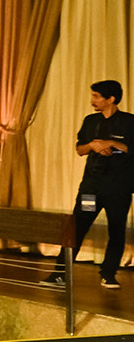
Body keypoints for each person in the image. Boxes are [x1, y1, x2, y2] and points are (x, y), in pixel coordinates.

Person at [55, 78, 133, 289]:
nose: (93, 101)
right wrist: (93, 145)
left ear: (111, 99)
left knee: (116, 231)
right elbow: (80, 150)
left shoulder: (129, 122)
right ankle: (60, 273)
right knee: (77, 227)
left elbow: (131, 149)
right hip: (91, 188)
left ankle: (108, 274)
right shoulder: (91, 121)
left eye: (97, 96)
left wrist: (112, 143)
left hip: (118, 189)